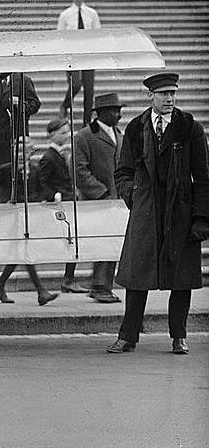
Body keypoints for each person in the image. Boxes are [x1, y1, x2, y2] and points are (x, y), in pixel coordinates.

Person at [107, 73, 209, 356]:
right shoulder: (136, 128)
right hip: (147, 210)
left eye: (172, 93)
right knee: (137, 276)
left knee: (181, 279)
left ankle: (179, 336)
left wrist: (201, 218)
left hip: (180, 212)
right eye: (163, 94)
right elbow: (123, 171)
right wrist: (134, 195)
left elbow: (203, 177)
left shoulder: (190, 128)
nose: (169, 99)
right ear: (150, 96)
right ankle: (128, 337)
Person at [0, 139, 59, 306]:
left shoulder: (34, 170)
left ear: (30, 153)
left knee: (21, 252)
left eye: (25, 151)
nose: (21, 155)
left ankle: (0, 285)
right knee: (25, 252)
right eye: (18, 151)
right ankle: (41, 291)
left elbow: (40, 189)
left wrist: (52, 196)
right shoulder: (6, 170)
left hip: (29, 217)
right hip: (11, 217)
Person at [74, 92, 125, 303]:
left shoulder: (118, 134)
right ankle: (99, 286)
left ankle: (105, 286)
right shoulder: (85, 136)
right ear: (101, 113)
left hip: (117, 200)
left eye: (119, 110)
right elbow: (78, 171)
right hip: (98, 202)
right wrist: (101, 193)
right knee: (103, 243)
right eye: (115, 110)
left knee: (112, 244)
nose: (119, 115)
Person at [37, 116, 88, 293]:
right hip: (60, 205)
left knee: (74, 241)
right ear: (52, 135)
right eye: (62, 132)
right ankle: (68, 279)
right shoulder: (48, 157)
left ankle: (69, 279)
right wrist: (54, 195)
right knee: (71, 241)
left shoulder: (63, 154)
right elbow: (41, 183)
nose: (67, 135)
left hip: (70, 201)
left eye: (67, 132)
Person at [0, 73, 40, 204]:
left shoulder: (23, 80)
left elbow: (35, 104)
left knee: (19, 171)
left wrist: (20, 104)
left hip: (17, 135)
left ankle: (19, 200)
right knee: (0, 173)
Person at [57, 0, 100, 126]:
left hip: (87, 54)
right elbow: (60, 35)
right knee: (75, 84)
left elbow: (98, 33)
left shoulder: (92, 14)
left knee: (89, 89)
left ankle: (86, 121)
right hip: (72, 54)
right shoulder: (65, 15)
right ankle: (65, 105)